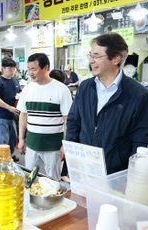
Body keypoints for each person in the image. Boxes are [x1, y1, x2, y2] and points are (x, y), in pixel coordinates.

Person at [66, 33, 148, 175]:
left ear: (116, 58)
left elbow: (140, 139)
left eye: (96, 56)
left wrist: (133, 175)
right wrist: (70, 155)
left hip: (115, 172)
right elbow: (74, 122)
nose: (91, 61)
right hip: (83, 168)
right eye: (90, 55)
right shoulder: (85, 87)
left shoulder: (137, 94)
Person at [17, 53, 72, 180]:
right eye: (29, 69)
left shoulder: (62, 90)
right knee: (30, 178)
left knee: (53, 181)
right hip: (31, 144)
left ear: (46, 68)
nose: (30, 73)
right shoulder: (27, 89)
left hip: (53, 146)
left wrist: (66, 145)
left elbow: (67, 120)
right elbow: (23, 115)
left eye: (34, 69)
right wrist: (21, 139)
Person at [0, 57, 21, 162]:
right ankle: (3, 160)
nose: (12, 71)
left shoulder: (15, 80)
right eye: (10, 69)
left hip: (13, 116)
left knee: (13, 138)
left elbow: (18, 95)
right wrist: (9, 107)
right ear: (3, 68)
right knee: (3, 140)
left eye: (14, 69)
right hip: (1, 116)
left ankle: (11, 155)